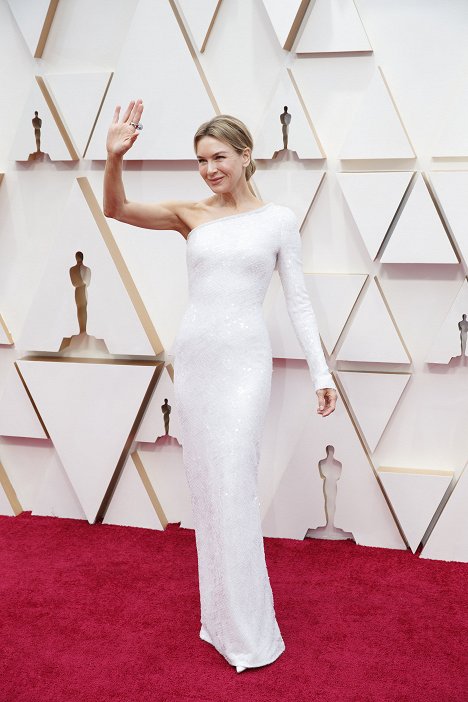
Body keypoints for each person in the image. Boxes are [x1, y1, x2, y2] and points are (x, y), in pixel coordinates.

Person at [104, 99, 338, 673]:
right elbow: (116, 209)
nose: (209, 169)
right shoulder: (191, 213)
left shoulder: (279, 220)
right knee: (209, 491)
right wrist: (113, 157)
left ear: (246, 156)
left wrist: (321, 371)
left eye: (219, 157)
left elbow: (299, 301)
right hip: (198, 361)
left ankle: (251, 632)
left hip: (244, 363)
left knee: (234, 484)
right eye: (201, 160)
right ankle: (221, 620)